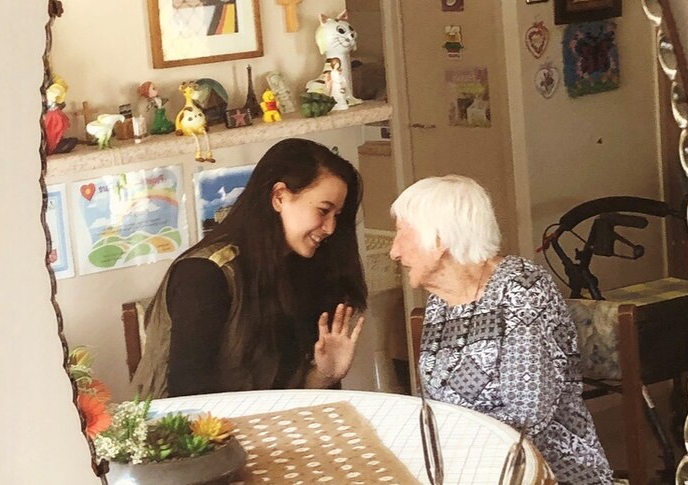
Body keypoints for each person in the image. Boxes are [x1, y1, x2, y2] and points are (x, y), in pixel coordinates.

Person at [389, 175, 612, 485]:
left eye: (402, 233)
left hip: (544, 467)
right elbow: (433, 404)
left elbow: (527, 418)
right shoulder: (440, 301)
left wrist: (449, 452)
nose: (394, 252)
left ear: (439, 239)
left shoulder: (522, 288)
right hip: (463, 467)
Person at [132, 138, 367, 398]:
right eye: (324, 211)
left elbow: (285, 397)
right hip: (192, 432)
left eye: (337, 216)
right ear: (279, 196)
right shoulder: (204, 274)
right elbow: (190, 399)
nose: (331, 228)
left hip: (268, 427)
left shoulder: (303, 268)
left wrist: (325, 374)